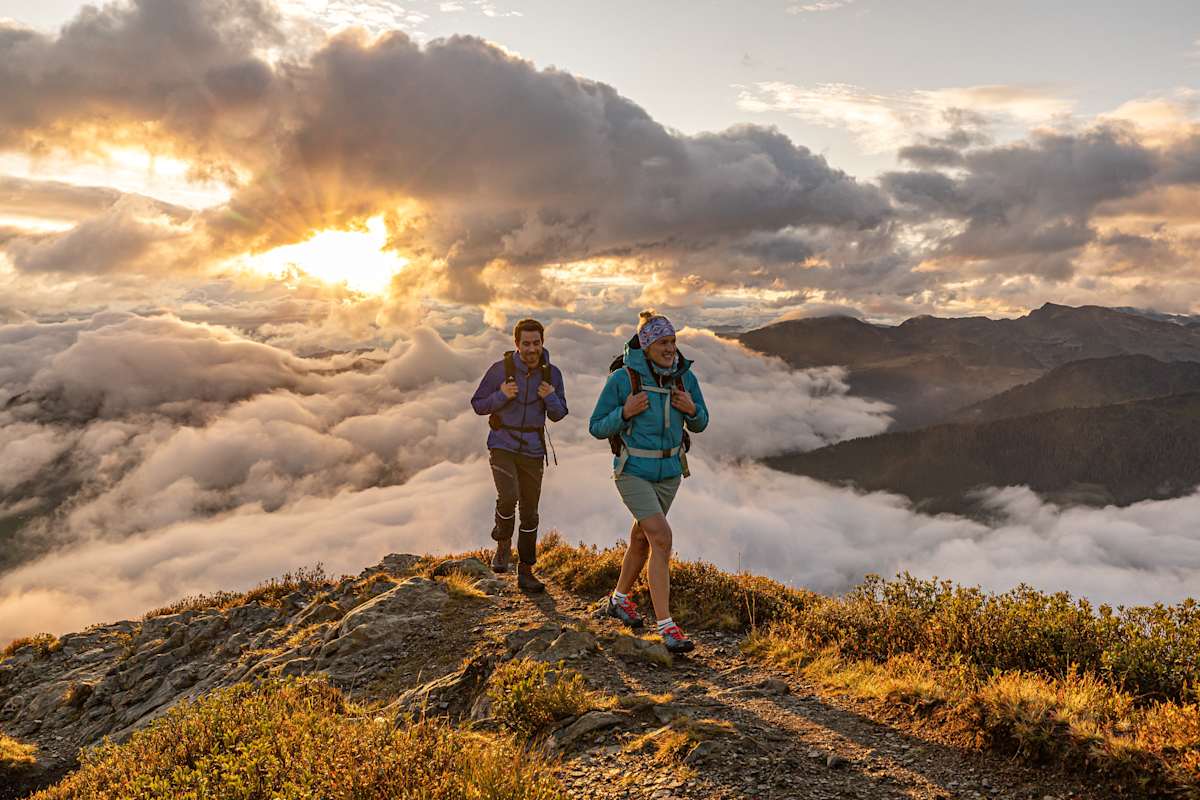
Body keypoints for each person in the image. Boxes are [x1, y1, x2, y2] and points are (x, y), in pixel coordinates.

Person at [588, 311, 709, 653]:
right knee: (662, 537)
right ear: (646, 345)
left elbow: (702, 423)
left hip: (670, 473)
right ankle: (667, 626)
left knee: (642, 538)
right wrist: (624, 412)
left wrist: (692, 410)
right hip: (632, 471)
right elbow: (596, 426)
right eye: (662, 343)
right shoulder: (623, 380)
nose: (670, 349)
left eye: (673, 342)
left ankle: (618, 600)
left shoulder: (684, 379)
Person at [471, 318, 567, 592]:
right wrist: (501, 396)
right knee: (509, 495)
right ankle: (503, 543)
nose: (531, 348)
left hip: (534, 448)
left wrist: (550, 397)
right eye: (526, 343)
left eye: (536, 343)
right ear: (516, 344)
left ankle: (526, 571)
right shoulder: (500, 370)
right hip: (502, 443)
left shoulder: (552, 375)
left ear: (542, 342)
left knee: (530, 512)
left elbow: (559, 414)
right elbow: (478, 405)